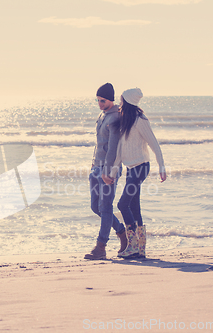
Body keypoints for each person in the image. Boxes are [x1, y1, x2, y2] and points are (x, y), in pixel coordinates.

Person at [103, 88, 167, 259]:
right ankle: (140, 249)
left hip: (140, 168)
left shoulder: (140, 121)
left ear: (128, 102)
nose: (119, 102)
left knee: (122, 205)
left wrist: (162, 167)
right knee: (134, 207)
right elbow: (120, 151)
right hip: (131, 169)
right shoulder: (125, 120)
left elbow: (154, 144)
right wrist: (113, 171)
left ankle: (132, 246)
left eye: (122, 100)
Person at [84, 83, 127, 260]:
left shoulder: (116, 117)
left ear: (111, 99)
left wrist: (109, 172)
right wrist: (93, 165)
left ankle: (101, 247)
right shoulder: (102, 115)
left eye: (103, 100)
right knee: (96, 207)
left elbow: (113, 148)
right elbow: (99, 144)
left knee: (106, 207)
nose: (100, 103)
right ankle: (122, 232)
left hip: (108, 169)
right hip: (96, 167)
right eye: (98, 100)